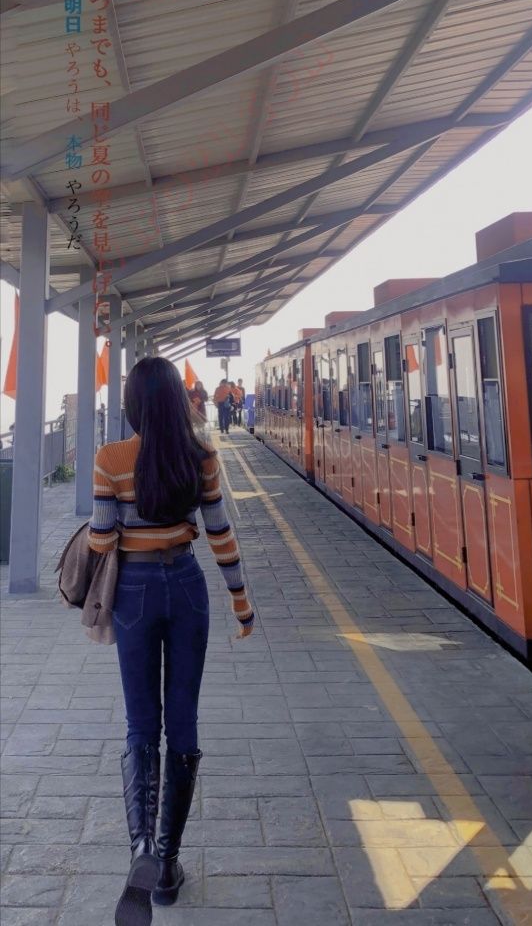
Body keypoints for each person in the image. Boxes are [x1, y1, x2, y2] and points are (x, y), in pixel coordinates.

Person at [88, 358, 254, 925]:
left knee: (141, 725)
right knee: (182, 722)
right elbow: (219, 531)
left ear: (133, 405)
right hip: (185, 585)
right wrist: (240, 600)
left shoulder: (111, 459)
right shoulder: (200, 455)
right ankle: (166, 867)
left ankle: (140, 848)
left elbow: (102, 539)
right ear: (179, 403)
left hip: (133, 591)